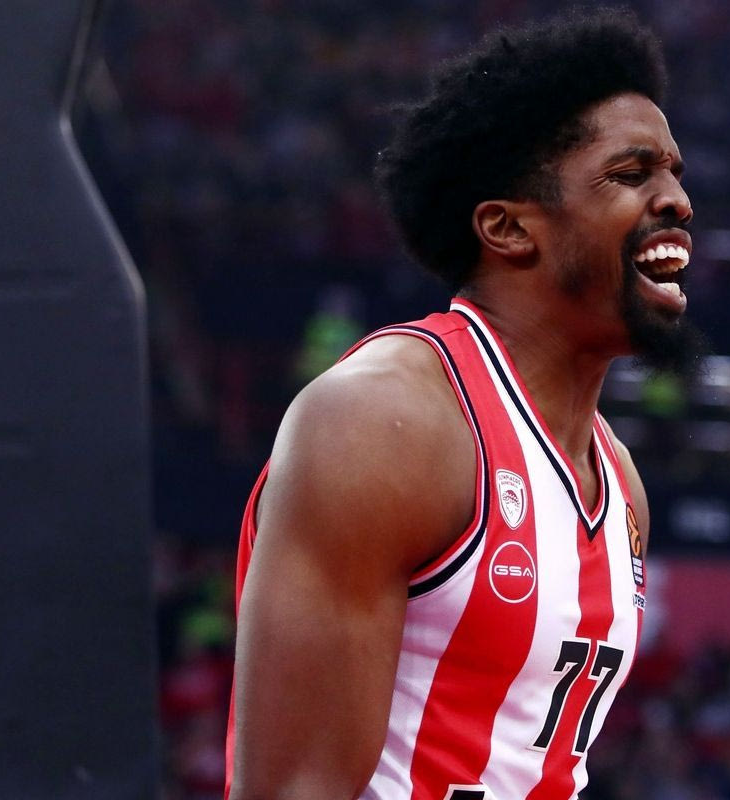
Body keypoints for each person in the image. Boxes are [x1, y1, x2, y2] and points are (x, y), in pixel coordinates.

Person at [225, 9, 703, 799]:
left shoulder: (620, 483)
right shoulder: (385, 422)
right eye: (632, 173)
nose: (678, 201)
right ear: (508, 229)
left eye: (676, 174)